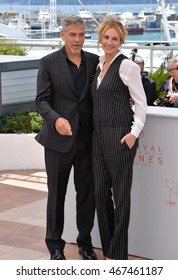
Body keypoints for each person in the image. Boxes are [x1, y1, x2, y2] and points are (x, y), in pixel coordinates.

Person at [35, 15, 99, 260]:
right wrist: (56, 119)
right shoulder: (48, 62)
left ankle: (85, 243)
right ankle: (55, 246)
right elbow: (41, 101)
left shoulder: (94, 61)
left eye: (82, 34)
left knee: (86, 195)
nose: (78, 39)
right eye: (73, 34)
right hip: (57, 141)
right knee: (56, 195)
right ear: (62, 35)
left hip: (86, 140)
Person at [91, 16, 147, 260]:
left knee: (121, 197)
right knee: (101, 193)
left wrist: (133, 134)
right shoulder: (99, 64)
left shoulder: (128, 67)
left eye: (115, 39)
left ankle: (118, 256)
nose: (110, 42)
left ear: (121, 41)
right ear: (101, 38)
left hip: (120, 137)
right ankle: (108, 251)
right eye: (106, 37)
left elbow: (142, 104)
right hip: (98, 138)